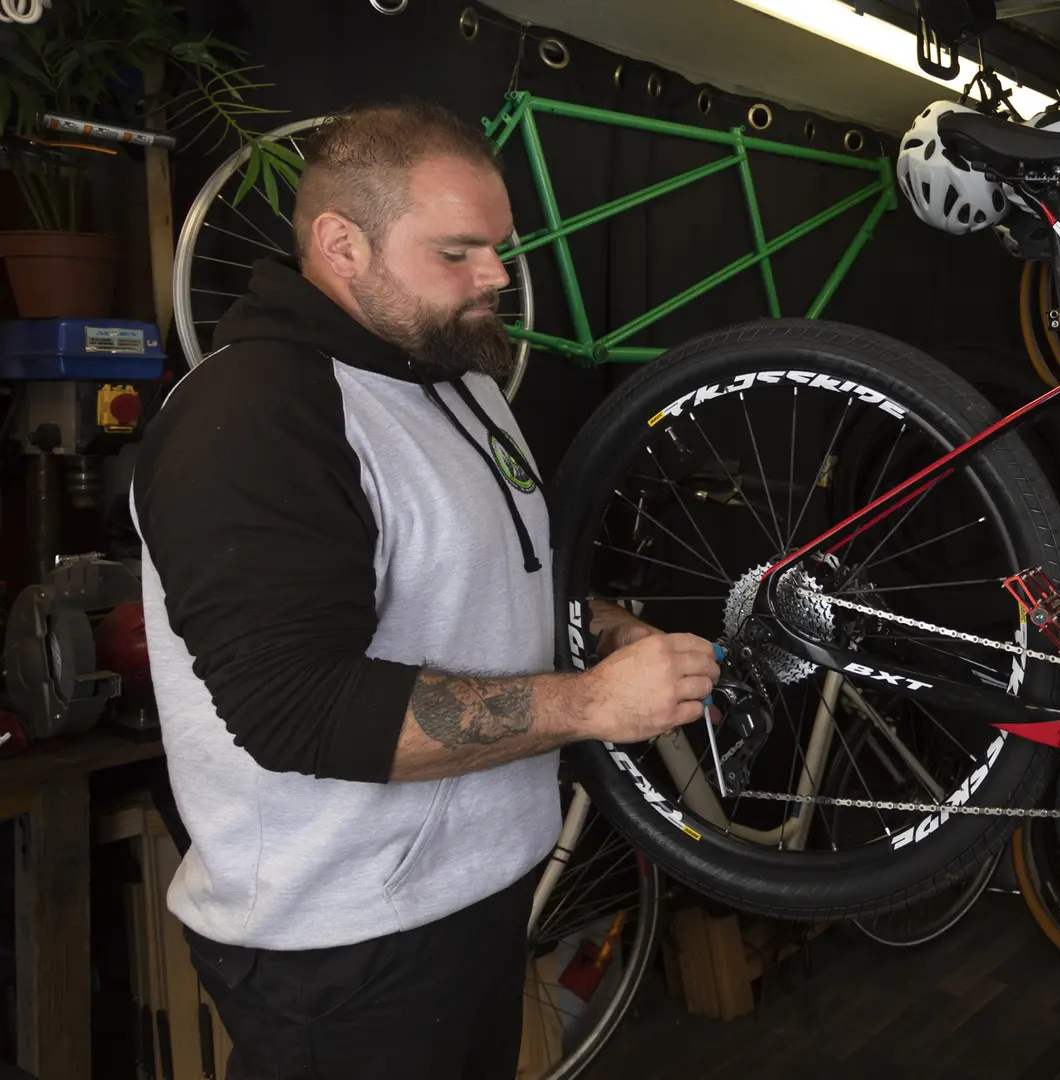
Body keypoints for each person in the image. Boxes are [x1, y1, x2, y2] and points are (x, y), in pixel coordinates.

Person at [132, 100, 717, 1078]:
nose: (496, 277)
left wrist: (599, 630)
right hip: (345, 946)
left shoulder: (460, 378)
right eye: (457, 252)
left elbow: (488, 582)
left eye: (499, 248)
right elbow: (301, 711)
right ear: (339, 244)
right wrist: (587, 705)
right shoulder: (256, 417)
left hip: (468, 898)